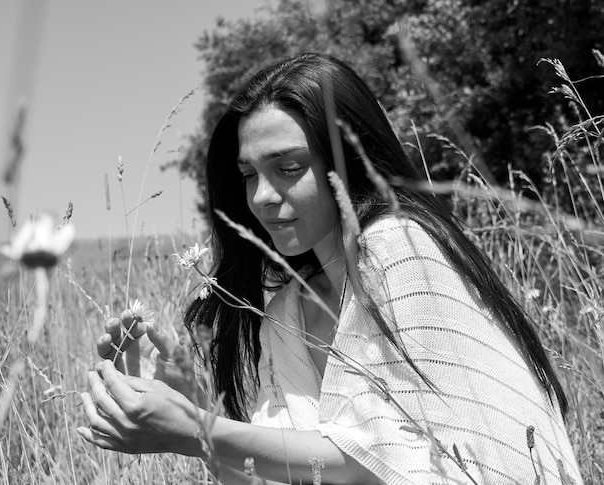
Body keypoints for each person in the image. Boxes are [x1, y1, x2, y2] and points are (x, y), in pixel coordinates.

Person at [78, 53, 583, 484]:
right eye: (249, 175)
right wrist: (190, 404)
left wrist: (198, 430)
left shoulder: (398, 245)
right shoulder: (285, 314)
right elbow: (286, 473)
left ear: (344, 163)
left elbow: (385, 458)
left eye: (289, 168)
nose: (262, 197)